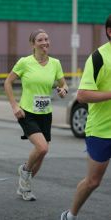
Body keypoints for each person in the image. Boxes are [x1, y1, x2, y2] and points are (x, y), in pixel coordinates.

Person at [4, 29, 68, 201]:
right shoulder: (25, 62)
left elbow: (63, 84)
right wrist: (14, 105)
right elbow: (8, 83)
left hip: (46, 113)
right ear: (33, 44)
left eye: (47, 39)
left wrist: (63, 90)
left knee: (42, 153)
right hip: (27, 112)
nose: (45, 42)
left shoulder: (55, 63)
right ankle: (25, 171)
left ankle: (24, 186)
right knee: (42, 147)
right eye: (40, 40)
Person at [61, 14, 111, 219]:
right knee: (93, 181)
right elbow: (82, 95)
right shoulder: (99, 57)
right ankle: (71, 215)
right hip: (101, 130)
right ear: (110, 31)